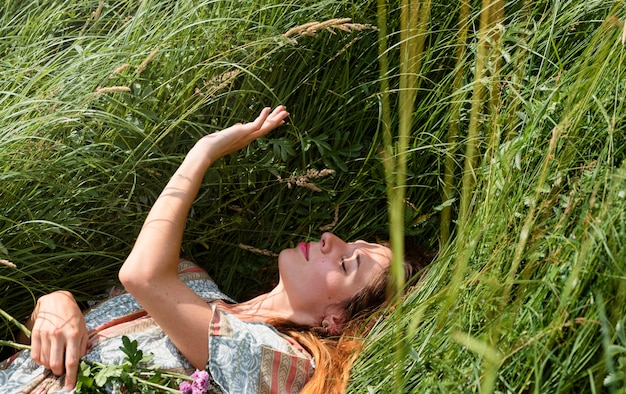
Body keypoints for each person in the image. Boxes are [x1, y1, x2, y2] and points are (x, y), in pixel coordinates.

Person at [0, 106, 425, 394]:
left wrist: (201, 153)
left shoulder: (283, 364)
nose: (332, 241)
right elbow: (34, 346)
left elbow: (142, 277)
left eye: (349, 262)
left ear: (335, 321)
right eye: (350, 242)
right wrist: (54, 305)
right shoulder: (188, 277)